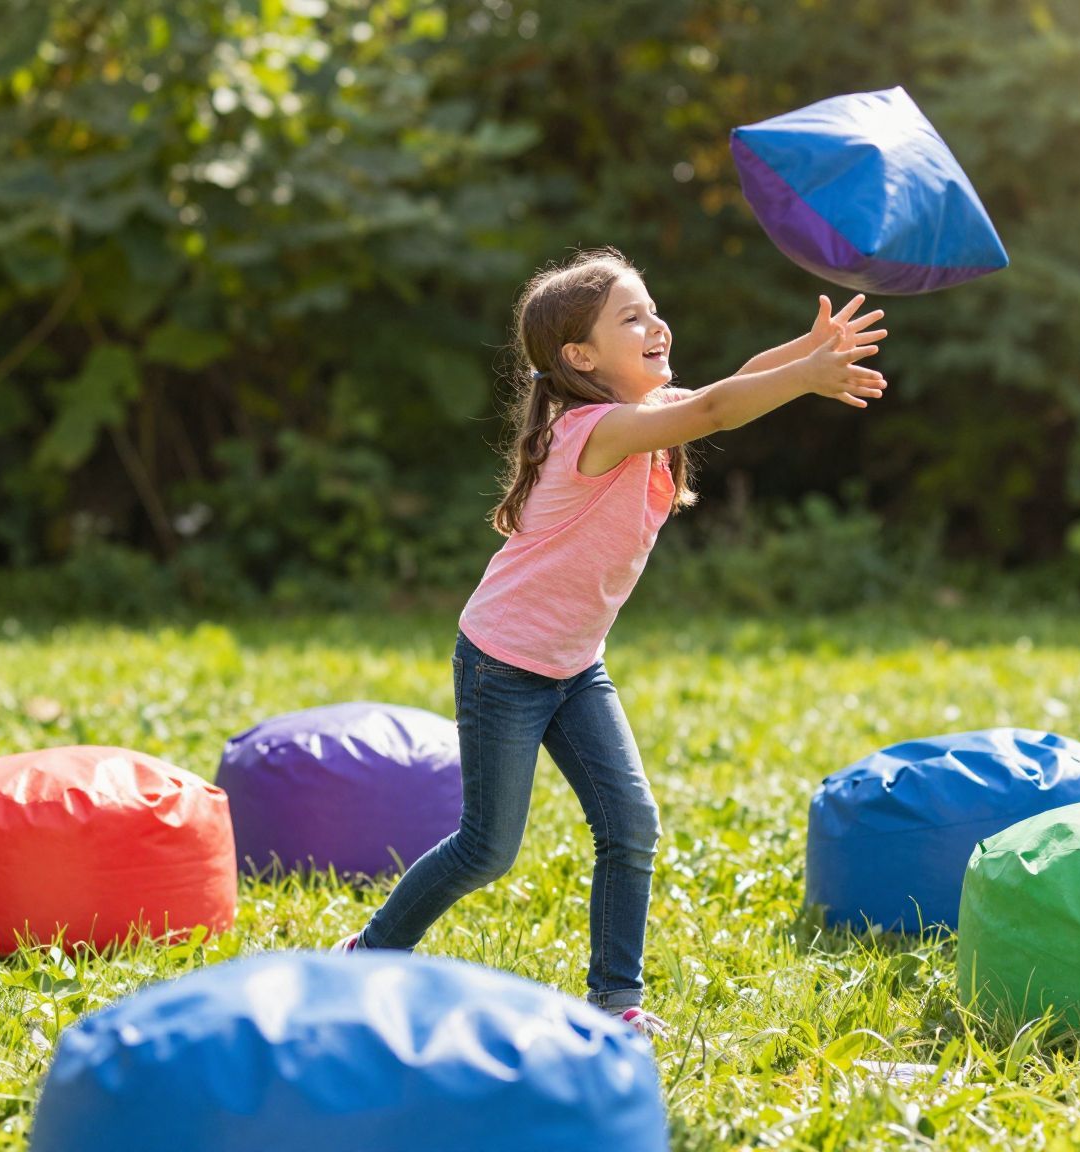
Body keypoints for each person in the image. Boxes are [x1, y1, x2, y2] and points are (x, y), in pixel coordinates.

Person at [335, 248, 889, 1035]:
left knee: (631, 826)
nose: (657, 325)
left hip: (574, 667)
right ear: (581, 358)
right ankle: (368, 953)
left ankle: (613, 1002)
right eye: (632, 318)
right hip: (503, 666)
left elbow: (726, 387)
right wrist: (805, 376)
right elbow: (716, 410)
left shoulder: (642, 414)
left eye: (652, 309)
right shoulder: (594, 430)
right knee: (487, 850)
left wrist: (807, 350)